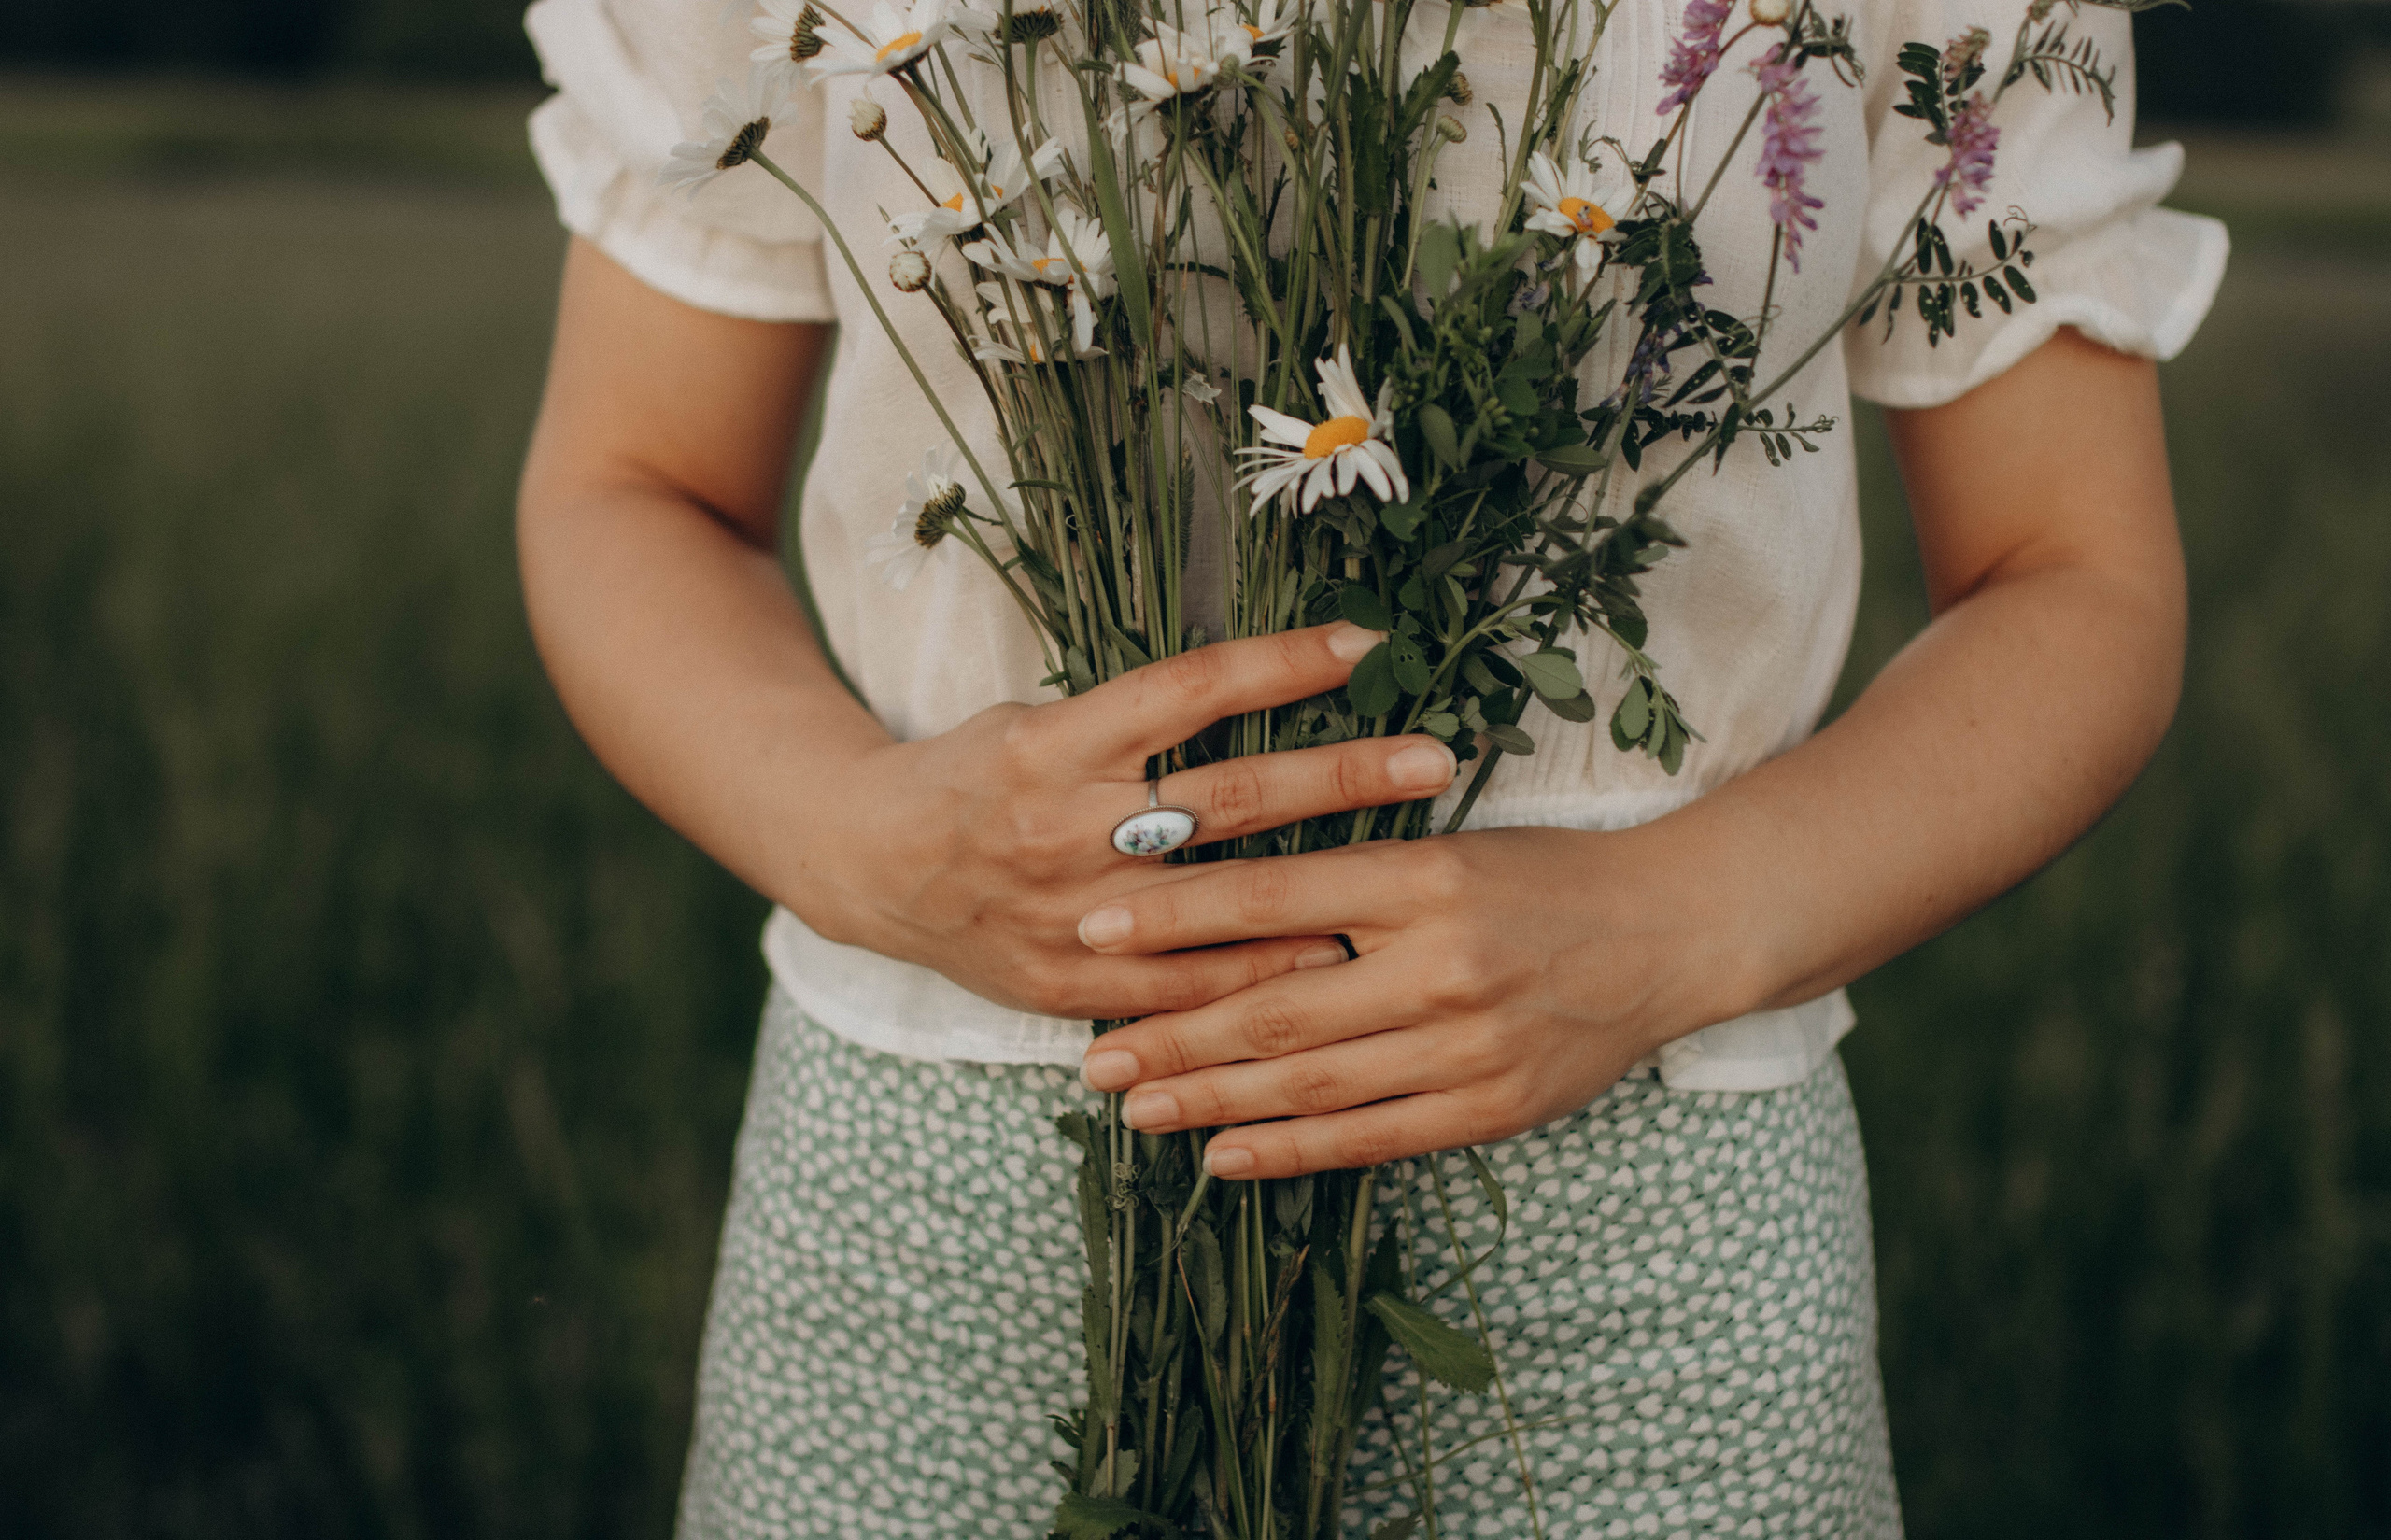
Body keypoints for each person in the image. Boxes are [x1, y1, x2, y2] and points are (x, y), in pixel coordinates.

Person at [515, 0, 2226, 1532]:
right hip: (932, 1186)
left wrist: (1675, 921)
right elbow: (635, 480)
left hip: (1653, 1191)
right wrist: (861, 839)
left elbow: (2075, 574)